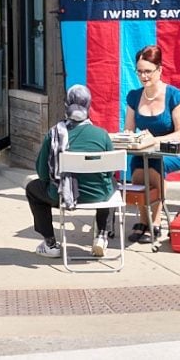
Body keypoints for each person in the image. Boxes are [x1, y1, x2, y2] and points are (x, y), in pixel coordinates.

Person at [26, 85, 115, 258]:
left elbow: (43, 174)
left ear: (66, 105)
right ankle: (101, 236)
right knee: (112, 184)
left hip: (62, 196)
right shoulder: (102, 135)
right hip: (98, 196)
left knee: (32, 189)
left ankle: (50, 244)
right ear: (88, 106)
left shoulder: (54, 134)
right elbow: (110, 173)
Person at [124, 44, 180, 244]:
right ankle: (143, 219)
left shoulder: (174, 95)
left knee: (155, 164)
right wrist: (130, 139)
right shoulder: (134, 96)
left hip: (177, 150)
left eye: (148, 71)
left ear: (160, 69)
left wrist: (153, 140)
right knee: (137, 164)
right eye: (139, 71)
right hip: (147, 150)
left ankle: (155, 222)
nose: (143, 76)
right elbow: (129, 129)